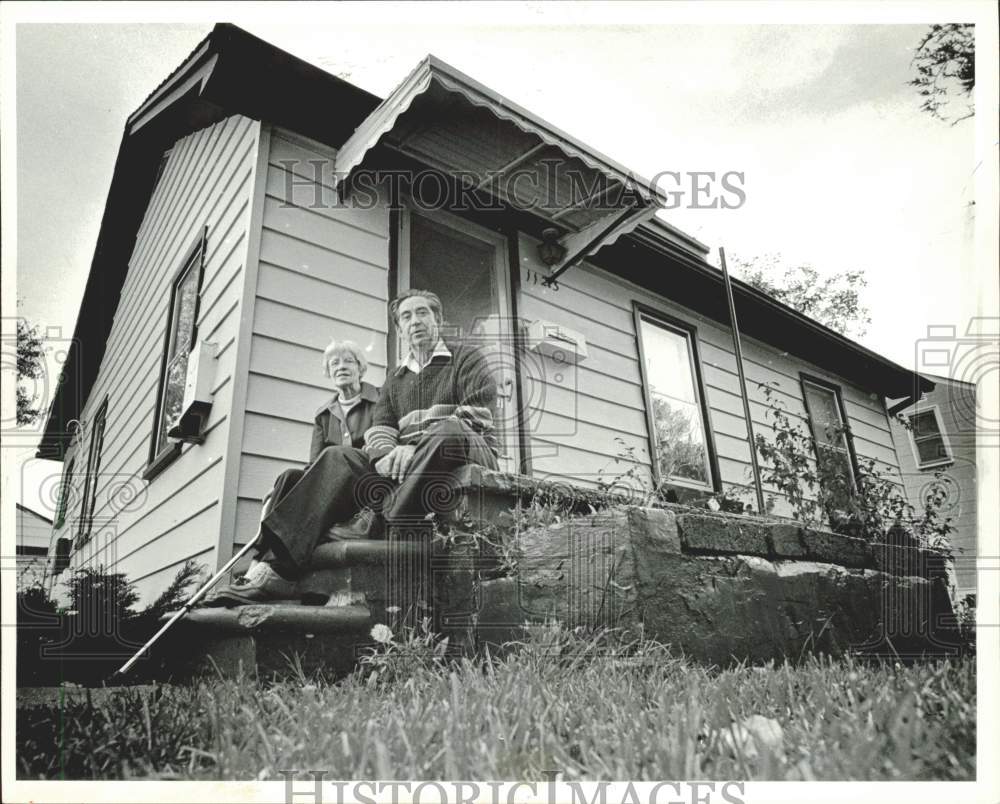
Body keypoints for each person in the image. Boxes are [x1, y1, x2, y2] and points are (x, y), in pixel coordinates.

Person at [208, 289, 499, 606]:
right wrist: (389, 454)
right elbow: (379, 431)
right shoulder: (394, 380)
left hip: (461, 451)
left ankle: (378, 517)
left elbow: (476, 415)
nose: (414, 321)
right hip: (408, 468)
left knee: (449, 430)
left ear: (438, 320)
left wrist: (414, 446)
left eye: (422, 313)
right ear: (400, 329)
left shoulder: (467, 358)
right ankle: (276, 571)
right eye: (406, 316)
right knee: (336, 457)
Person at [207, 339, 379, 605]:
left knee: (335, 455)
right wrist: (283, 492)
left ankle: (279, 570)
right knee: (288, 477)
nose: (341, 367)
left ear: (361, 368)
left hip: (365, 486)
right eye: (335, 363)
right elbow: (313, 467)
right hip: (333, 491)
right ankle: (258, 563)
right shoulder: (324, 414)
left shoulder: (379, 400)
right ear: (329, 373)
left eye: (349, 361)